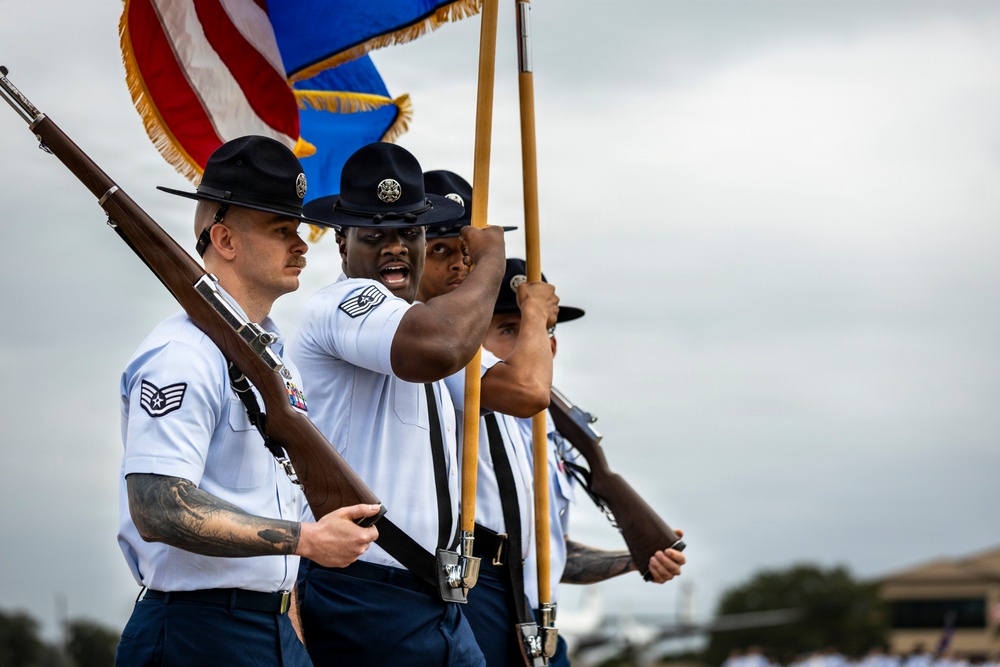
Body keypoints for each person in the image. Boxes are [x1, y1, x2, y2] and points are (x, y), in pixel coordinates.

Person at [115, 136, 381, 667]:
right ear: (225, 240)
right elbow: (159, 507)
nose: (303, 244)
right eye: (282, 230)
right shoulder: (182, 354)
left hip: (273, 626)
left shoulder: (275, 358)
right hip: (197, 633)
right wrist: (305, 539)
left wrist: (290, 617)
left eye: (300, 229)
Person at [289, 143, 507, 667]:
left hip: (434, 595)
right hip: (364, 589)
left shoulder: (413, 319)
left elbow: (517, 390)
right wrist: (491, 259)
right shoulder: (340, 305)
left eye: (409, 234)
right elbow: (436, 348)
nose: (395, 249)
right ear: (342, 244)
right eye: (375, 235)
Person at [484, 258, 687, 667]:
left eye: (540, 330)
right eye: (510, 330)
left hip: (543, 631)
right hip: (486, 622)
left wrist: (635, 558)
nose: (534, 342)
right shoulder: (463, 424)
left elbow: (548, 551)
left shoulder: (550, 431)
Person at [419, 170, 560, 667]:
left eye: (469, 254)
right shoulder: (435, 344)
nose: (460, 267)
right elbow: (528, 389)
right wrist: (537, 318)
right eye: (441, 250)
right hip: (464, 573)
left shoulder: (472, 356)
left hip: (524, 588)